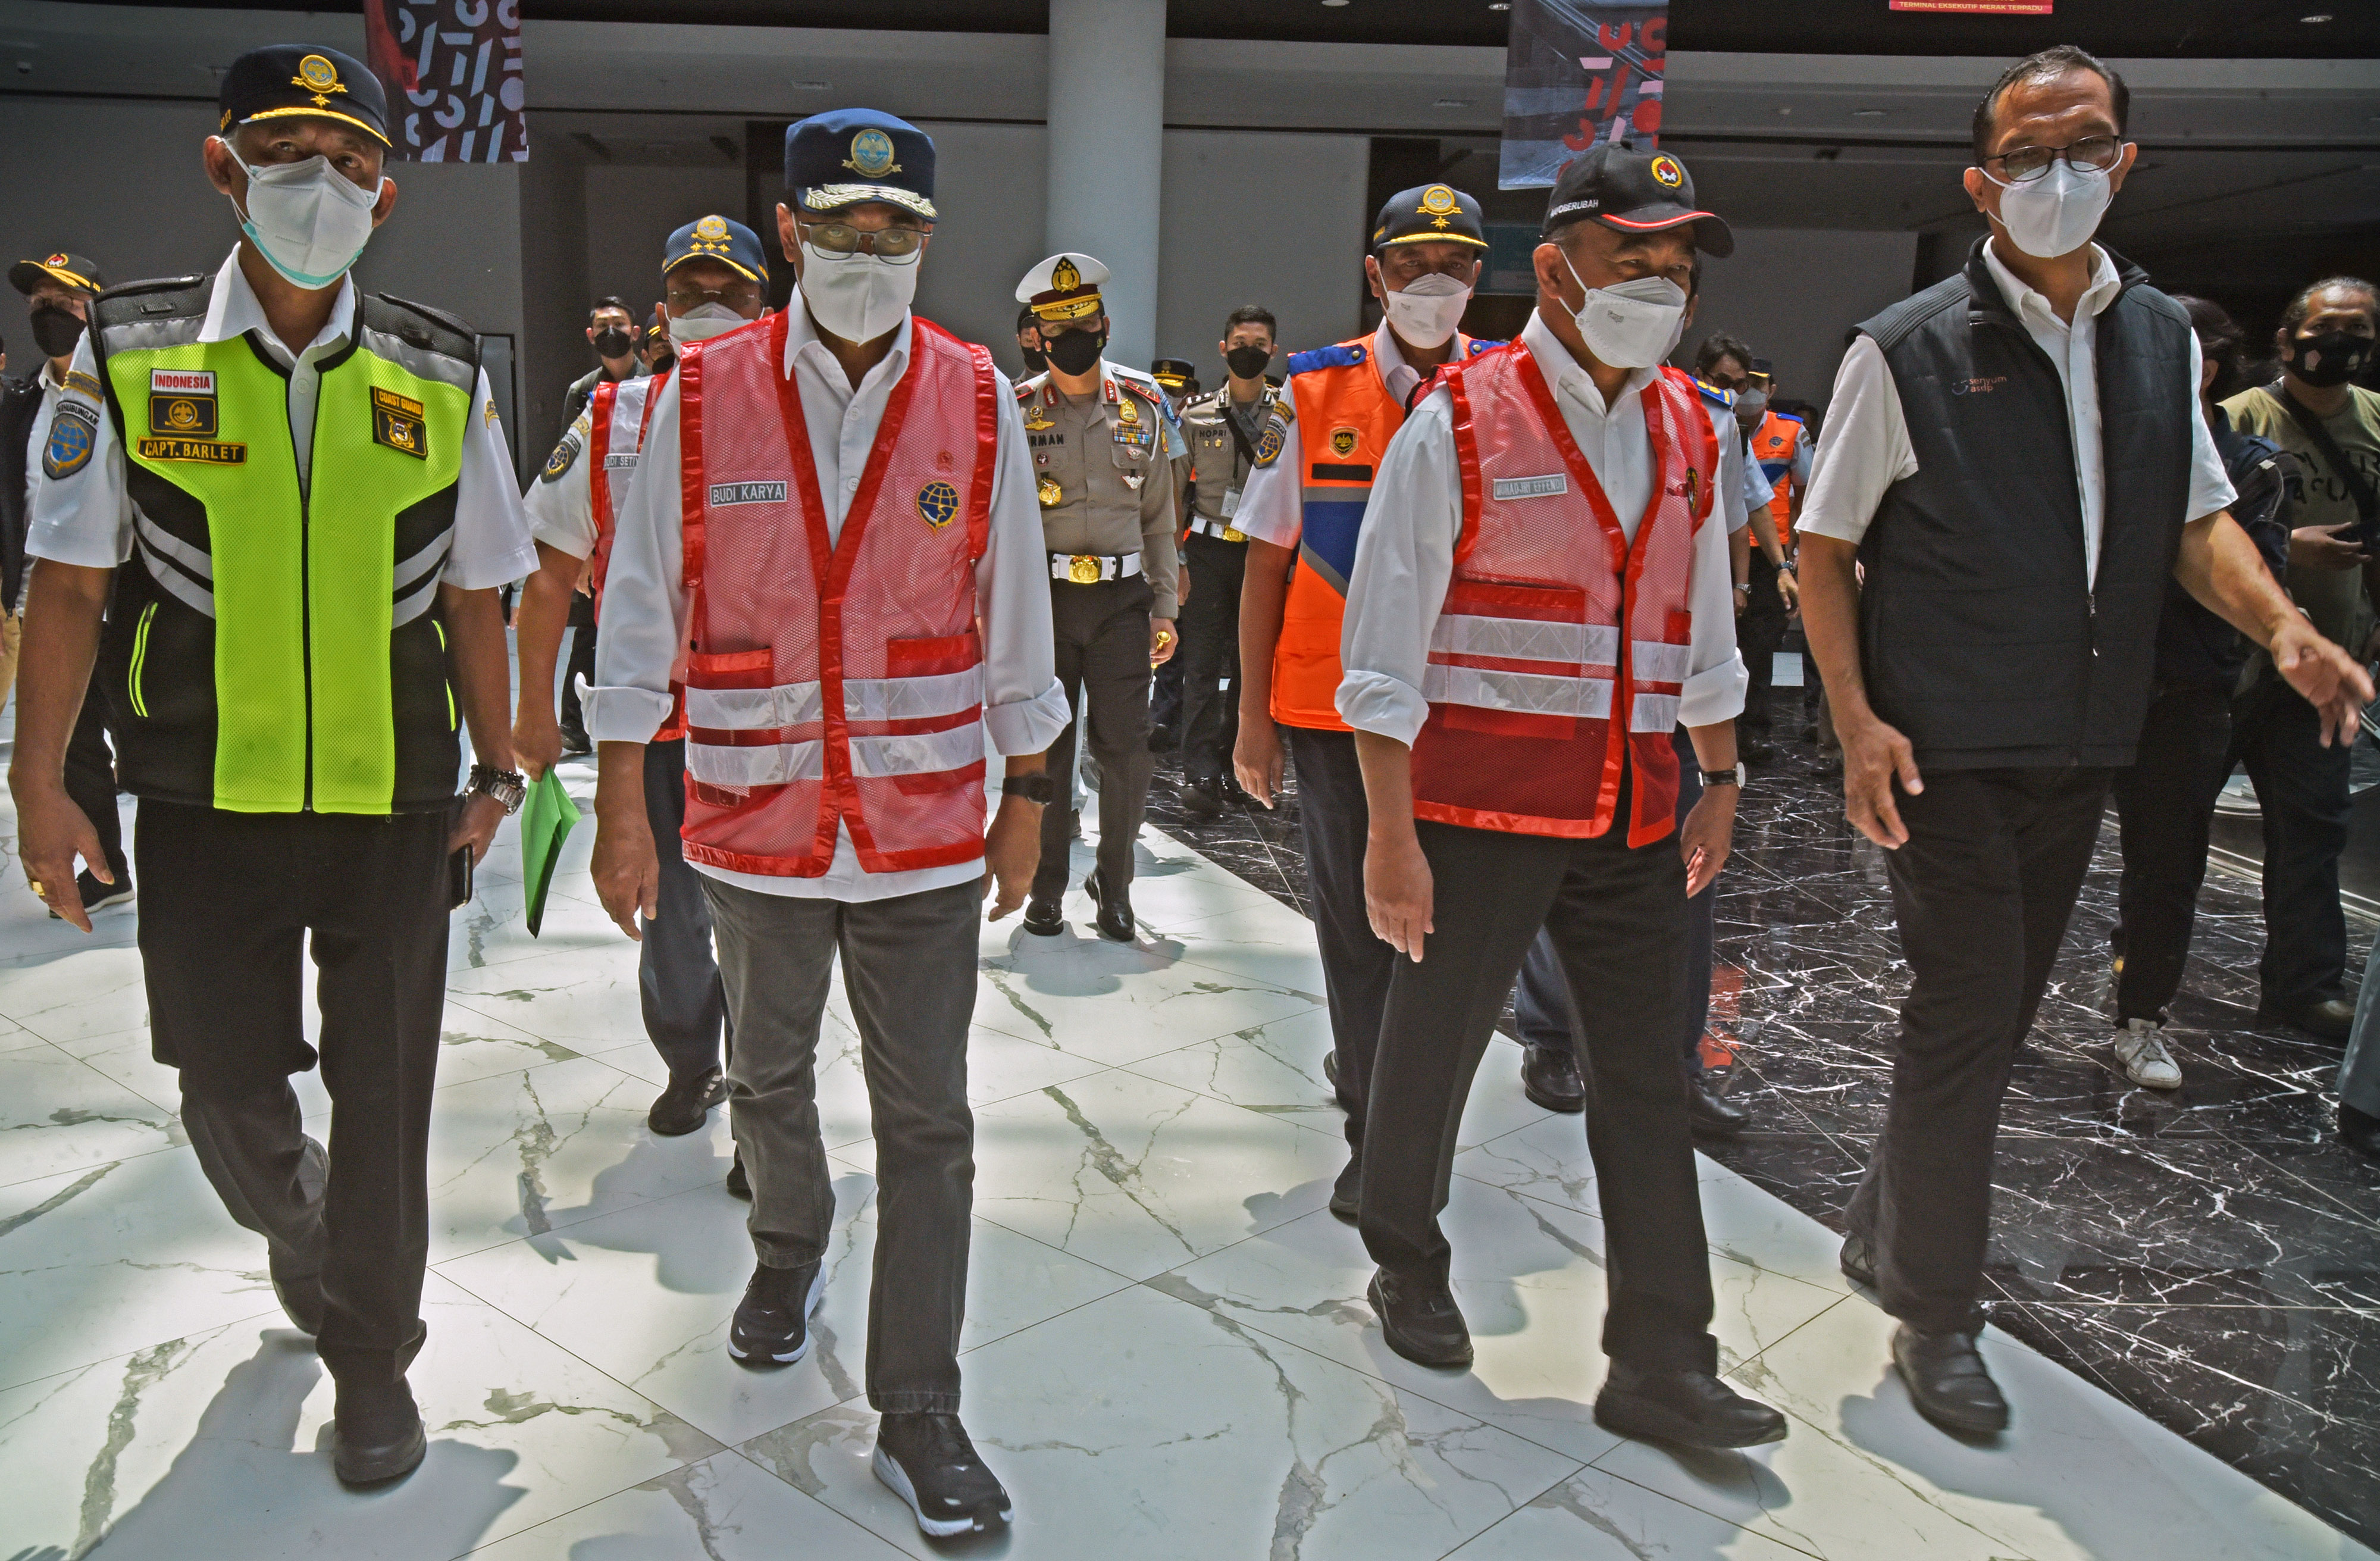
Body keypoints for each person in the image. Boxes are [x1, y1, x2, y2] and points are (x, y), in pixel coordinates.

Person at [1796, 46, 2368, 1438]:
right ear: (1981, 178)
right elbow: (1819, 546)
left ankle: (1886, 1229)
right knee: (1959, 1011)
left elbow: (2189, 521)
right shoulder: (1908, 344)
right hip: (1940, 741)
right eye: (2028, 153)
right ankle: (1933, 1310)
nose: (2057, 174)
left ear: (2123, 161)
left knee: (1985, 1020)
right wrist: (1855, 719)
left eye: (2084, 145)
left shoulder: (2156, 334)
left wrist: (2284, 627)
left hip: (2081, 739)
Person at [7, 46, 536, 1486]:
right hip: (198, 794)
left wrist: (503, 767)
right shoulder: (128, 351)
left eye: (349, 155)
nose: (321, 177)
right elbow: (65, 585)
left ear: (387, 185)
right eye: (289, 146)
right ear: (222, 164)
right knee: (222, 1085)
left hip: (395, 800)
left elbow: (478, 591)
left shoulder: (438, 365)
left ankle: (375, 1359)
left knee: (387, 1095)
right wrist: (37, 782)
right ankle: (307, 1234)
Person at [584, 108, 1066, 1539]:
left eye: (899, 229)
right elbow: (637, 612)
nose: (871, 251)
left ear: (929, 238)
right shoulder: (697, 391)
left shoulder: (977, 398)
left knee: (933, 1121)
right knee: (769, 1072)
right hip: (754, 817)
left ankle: (920, 1404)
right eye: (845, 226)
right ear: (789, 230)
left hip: (923, 831)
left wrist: (1029, 792)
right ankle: (788, 1246)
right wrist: (621, 803)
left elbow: (1015, 613)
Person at [1341, 144, 1787, 1451]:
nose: (1660, 281)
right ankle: (1404, 1255)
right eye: (1631, 255)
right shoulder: (1457, 419)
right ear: (1554, 266)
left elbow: (1703, 632)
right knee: (1430, 1044)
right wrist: (1386, 835)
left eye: (1677, 261)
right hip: (1475, 811)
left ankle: (1663, 1360)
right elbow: (1381, 653)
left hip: (1636, 811)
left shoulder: (1691, 429)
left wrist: (1719, 774)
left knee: (1645, 1079)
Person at [1231, 183, 1501, 1221]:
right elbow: (1264, 565)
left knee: (1445, 929)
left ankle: (1405, 1116)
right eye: (1412, 262)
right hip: (1328, 705)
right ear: (1375, 272)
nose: (1434, 283)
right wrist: (1252, 716)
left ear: (1478, 276)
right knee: (1356, 927)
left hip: (1459, 701)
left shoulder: (1507, 393)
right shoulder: (1311, 392)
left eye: (1456, 264)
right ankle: (1370, 1127)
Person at [516, 217, 772, 1137]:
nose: (711, 308)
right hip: (655, 725)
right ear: (663, 310)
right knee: (666, 913)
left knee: (768, 921)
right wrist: (532, 710)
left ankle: (764, 1095)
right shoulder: (610, 419)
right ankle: (692, 1063)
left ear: (764, 304)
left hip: (766, 722)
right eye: (692, 291)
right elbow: (547, 578)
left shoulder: (806, 421)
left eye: (732, 292)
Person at [1508, 296, 1768, 1138]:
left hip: (1664, 708)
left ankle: (1678, 1061)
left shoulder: (1705, 420)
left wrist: (1725, 768)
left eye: (1673, 279)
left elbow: (1718, 547)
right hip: (1562, 697)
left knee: (1687, 890)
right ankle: (1550, 1035)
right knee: (1553, 874)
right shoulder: (1517, 407)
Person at [2105, 296, 2296, 1090]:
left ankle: (2141, 1015)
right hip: (2084, 679)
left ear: (2204, 368)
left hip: (2184, 690)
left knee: (2167, 863)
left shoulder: (2247, 467)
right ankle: (2001, 1015)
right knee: (2035, 847)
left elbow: (2253, 580)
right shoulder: (2100, 444)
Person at [2219, 275, 2379, 1040]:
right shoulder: (2238, 418)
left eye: (2359, 331)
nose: (2340, 344)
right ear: (2287, 340)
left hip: (2326, 668)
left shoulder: (2377, 425)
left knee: (2314, 826)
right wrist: (2289, 545)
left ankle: (2303, 984)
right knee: (2176, 824)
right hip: (2230, 664)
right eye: (2327, 329)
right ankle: (2142, 966)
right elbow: (2195, 533)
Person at [1013, 251, 1185, 942]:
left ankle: (1114, 885)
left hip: (1121, 601)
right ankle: (1046, 885)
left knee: (1125, 751)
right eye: (1057, 326)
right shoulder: (1014, 407)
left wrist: (1166, 606)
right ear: (1038, 337)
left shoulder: (1144, 404)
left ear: (1105, 324)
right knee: (1047, 752)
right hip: (1044, 605)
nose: (1071, 336)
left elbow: (1160, 519)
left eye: (1082, 321)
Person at [5, 252, 139, 914]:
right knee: (76, 743)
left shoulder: (133, 390)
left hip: (126, 604)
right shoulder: (22, 406)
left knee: (150, 734)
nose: (48, 314)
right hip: (42, 603)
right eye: (38, 305)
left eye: (63, 302)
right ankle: (105, 869)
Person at [1172, 306, 1276, 818]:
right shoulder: (1195, 416)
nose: (1248, 349)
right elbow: (1176, 496)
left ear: (1273, 351)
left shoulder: (1287, 416)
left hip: (1261, 553)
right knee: (1202, 663)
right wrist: (1178, 560)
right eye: (1240, 340)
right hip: (1209, 551)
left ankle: (1239, 768)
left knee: (1250, 666)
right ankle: (1199, 772)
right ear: (1223, 348)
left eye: (1259, 342)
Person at [560, 294, 643, 429]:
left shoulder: (655, 383)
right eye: (603, 325)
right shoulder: (581, 391)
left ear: (635, 333)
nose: (611, 331)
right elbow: (568, 448)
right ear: (591, 336)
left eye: (619, 324)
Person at [1014, 303, 1046, 377]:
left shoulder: (1074, 386)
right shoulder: (1010, 389)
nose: (1037, 347)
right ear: (1019, 341)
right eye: (1030, 340)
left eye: (1042, 339)